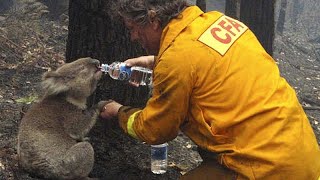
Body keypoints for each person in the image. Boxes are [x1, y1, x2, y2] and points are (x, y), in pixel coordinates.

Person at [100, 0, 320, 179]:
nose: (133, 37)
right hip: (303, 156)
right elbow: (203, 61)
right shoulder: (220, 22)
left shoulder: (177, 61)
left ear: (153, 20)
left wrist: (119, 112)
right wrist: (156, 60)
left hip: (266, 169)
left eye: (133, 29)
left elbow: (155, 130)